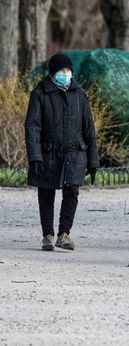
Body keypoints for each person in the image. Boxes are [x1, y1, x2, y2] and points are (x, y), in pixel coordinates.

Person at [25, 53, 99, 251]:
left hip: (75, 153)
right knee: (46, 193)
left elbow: (89, 129)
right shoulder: (40, 94)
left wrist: (93, 161)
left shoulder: (79, 95)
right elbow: (32, 126)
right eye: (62, 71)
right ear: (53, 73)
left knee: (72, 192)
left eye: (68, 71)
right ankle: (47, 235)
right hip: (48, 152)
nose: (65, 74)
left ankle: (64, 234)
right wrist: (35, 156)